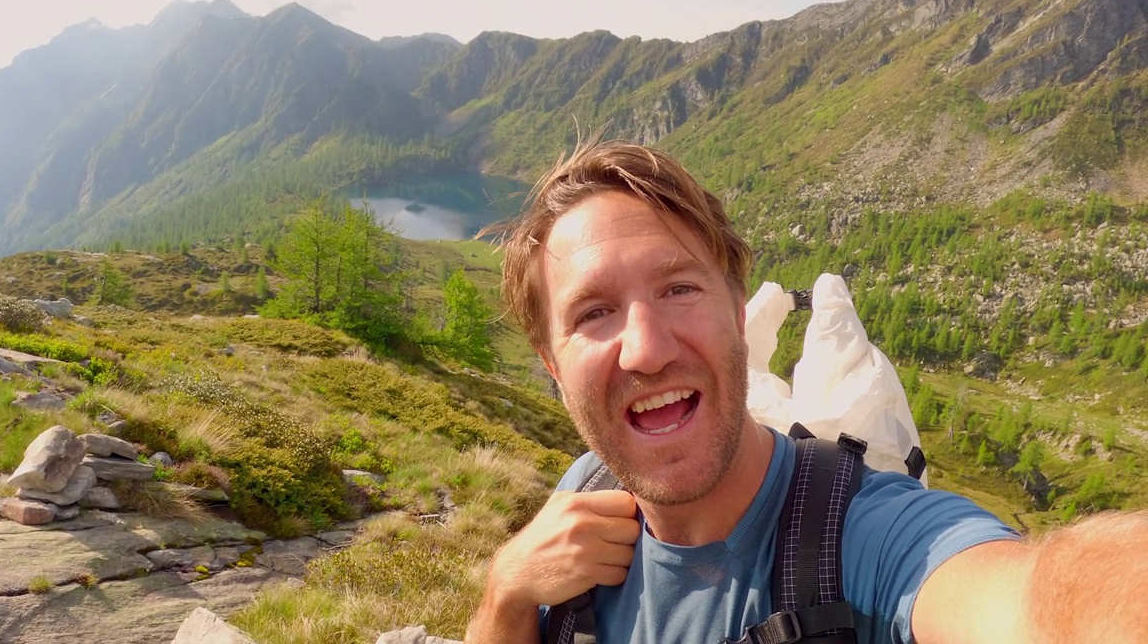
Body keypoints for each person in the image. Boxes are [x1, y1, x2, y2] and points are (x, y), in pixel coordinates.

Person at [464, 138, 1148, 644]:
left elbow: (1032, 603)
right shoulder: (584, 489)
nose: (645, 348)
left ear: (738, 315)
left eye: (678, 288)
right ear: (552, 367)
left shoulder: (863, 542)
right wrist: (505, 594)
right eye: (593, 313)